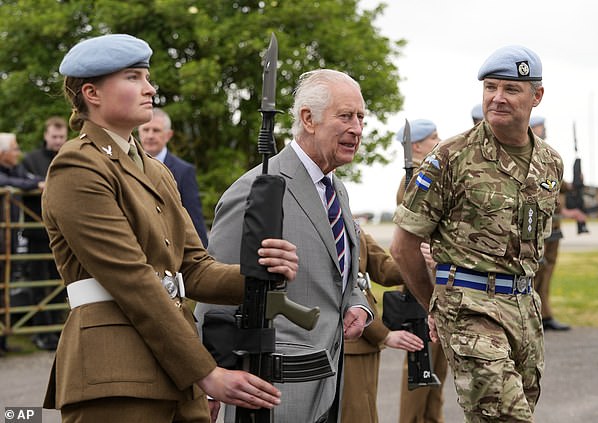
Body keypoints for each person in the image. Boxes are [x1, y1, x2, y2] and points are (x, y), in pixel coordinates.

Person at [42, 33, 299, 423]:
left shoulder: (156, 170)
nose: (150, 88)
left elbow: (194, 268)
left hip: (174, 373)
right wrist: (206, 371)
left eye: (147, 77)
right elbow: (132, 278)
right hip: (115, 374)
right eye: (133, 77)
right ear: (92, 93)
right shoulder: (78, 166)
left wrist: (257, 274)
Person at [391, 45, 564, 422]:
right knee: (507, 417)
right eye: (490, 87)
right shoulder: (450, 157)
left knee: (514, 410)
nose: (497, 98)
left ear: (536, 96)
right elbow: (403, 246)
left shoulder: (550, 162)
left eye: (510, 89)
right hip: (469, 307)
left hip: (524, 310)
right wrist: (434, 305)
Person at [195, 69, 372, 423]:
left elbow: (340, 274)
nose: (357, 128)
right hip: (272, 390)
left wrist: (358, 305)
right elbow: (214, 290)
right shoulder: (257, 189)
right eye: (345, 116)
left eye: (361, 118)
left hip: (329, 381)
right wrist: (209, 378)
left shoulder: (337, 191)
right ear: (308, 118)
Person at [394, 119, 447, 423]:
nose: (439, 142)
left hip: (436, 283)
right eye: (433, 138)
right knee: (420, 370)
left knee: (436, 370)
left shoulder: (429, 174)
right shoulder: (413, 178)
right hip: (422, 286)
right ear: (416, 146)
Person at [341, 228, 423, 423]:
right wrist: (383, 334)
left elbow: (386, 269)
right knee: (356, 416)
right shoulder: (328, 221)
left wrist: (421, 260)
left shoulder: (348, 221)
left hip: (364, 345)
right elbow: (342, 288)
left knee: (367, 413)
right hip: (350, 343)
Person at [530, 115, 585, 331]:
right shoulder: (533, 154)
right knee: (537, 272)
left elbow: (556, 184)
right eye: (541, 127)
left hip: (553, 227)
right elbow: (545, 187)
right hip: (541, 227)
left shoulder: (545, 153)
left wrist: (574, 183)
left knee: (547, 272)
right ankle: (535, 316)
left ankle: (545, 314)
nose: (544, 130)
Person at [21, 116, 69, 351]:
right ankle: (40, 332)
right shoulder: (30, 160)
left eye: (61, 137)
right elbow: (25, 182)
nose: (58, 141)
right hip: (37, 233)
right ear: (46, 136)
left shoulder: (70, 156)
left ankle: (56, 330)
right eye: (54, 136)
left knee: (59, 282)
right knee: (38, 284)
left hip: (63, 233)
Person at [0, 132, 45, 357]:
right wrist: (33, 183)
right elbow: (9, 182)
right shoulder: (6, 174)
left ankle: (3, 342)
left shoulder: (15, 169)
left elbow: (28, 179)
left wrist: (35, 182)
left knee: (4, 288)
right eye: (15, 149)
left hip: (8, 240)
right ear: (3, 153)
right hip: (3, 238)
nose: (19, 153)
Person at [138, 108, 208, 247]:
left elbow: (194, 219)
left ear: (168, 135)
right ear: (139, 132)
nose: (150, 135)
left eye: (156, 130)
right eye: (146, 130)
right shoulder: (125, 164)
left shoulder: (184, 171)